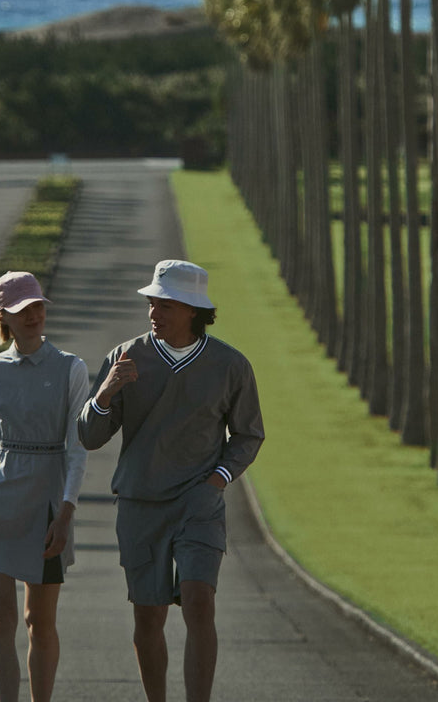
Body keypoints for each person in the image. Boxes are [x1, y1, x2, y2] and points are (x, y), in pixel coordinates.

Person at [78, 258, 264, 702]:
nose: (153, 312)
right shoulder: (126, 357)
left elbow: (248, 434)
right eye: (151, 302)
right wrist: (105, 394)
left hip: (199, 502)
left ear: (192, 309)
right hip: (140, 504)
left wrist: (218, 478)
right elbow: (89, 436)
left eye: (164, 304)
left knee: (200, 601)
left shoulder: (230, 365)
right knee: (149, 617)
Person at [0, 270, 89, 702]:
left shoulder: (71, 368)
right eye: (23, 308)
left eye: (38, 306)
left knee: (38, 621)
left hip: (47, 500)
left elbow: (77, 447)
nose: (34, 314)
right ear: (2, 315)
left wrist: (66, 512)